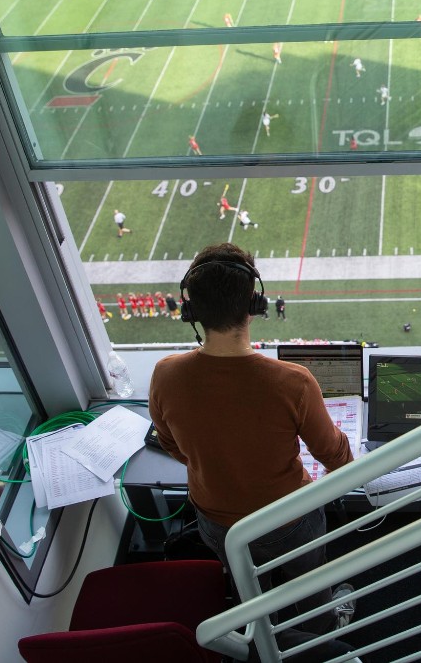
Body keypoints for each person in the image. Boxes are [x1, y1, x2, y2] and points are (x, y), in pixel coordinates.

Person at [148, 243, 353, 632]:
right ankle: (320, 630)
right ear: (254, 304)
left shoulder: (164, 374)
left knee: (248, 590)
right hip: (289, 522)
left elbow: (171, 445)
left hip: (217, 526)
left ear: (191, 310)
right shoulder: (293, 381)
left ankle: (261, 637)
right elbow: (336, 456)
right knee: (310, 587)